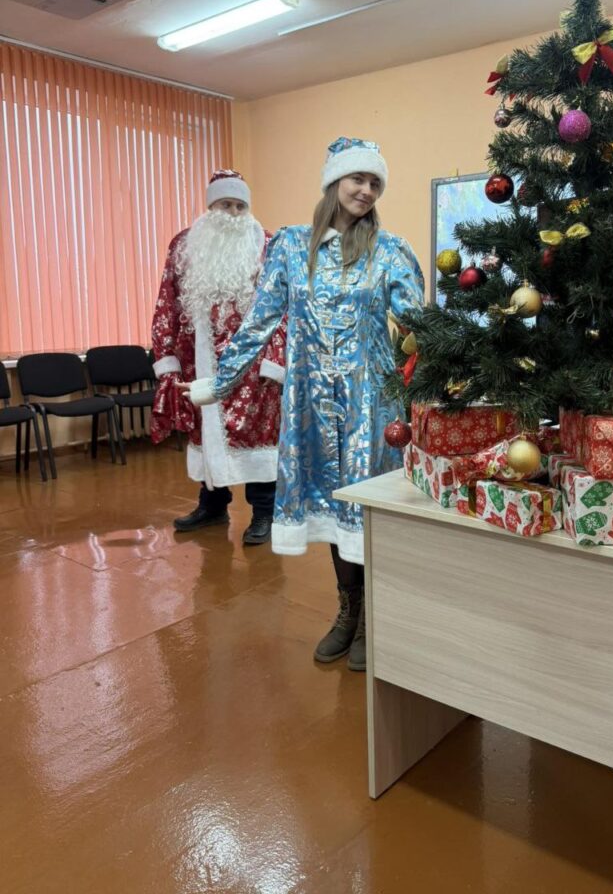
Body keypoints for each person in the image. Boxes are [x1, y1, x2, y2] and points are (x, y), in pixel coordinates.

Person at [183, 138, 424, 671]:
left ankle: (376, 618)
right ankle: (348, 611)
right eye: (358, 178)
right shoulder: (291, 247)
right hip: (311, 405)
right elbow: (261, 321)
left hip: (371, 407)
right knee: (335, 511)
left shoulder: (390, 250)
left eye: (375, 182)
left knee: (367, 510)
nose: (366, 190)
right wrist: (219, 384)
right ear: (334, 181)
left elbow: (418, 325)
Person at [150, 169, 286, 546]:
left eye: (240, 205)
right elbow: (167, 303)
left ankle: (264, 512)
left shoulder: (268, 244)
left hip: (254, 368)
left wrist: (276, 359)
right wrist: (167, 359)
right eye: (226, 204)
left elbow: (284, 308)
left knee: (257, 439)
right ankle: (212, 506)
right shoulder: (185, 245)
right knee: (206, 433)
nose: (233, 213)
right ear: (211, 206)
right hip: (201, 364)